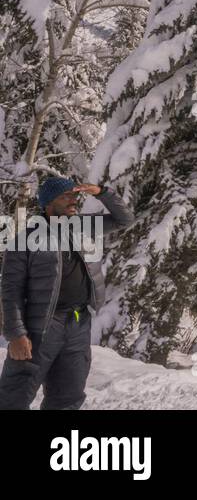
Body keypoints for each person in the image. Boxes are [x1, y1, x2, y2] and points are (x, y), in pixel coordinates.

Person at [0, 176, 133, 410]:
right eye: (66, 197)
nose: (73, 201)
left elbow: (125, 219)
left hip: (78, 321)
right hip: (40, 327)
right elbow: (11, 291)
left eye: (74, 196)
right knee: (14, 396)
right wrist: (16, 334)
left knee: (68, 395)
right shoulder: (25, 240)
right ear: (49, 203)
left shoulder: (82, 226)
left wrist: (101, 192)